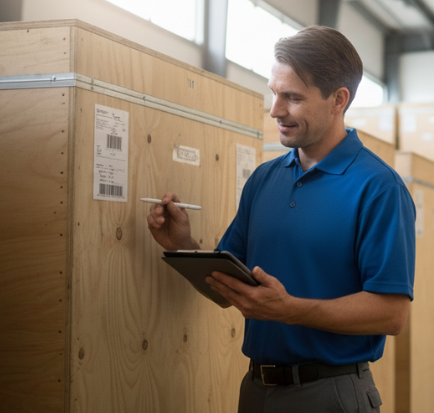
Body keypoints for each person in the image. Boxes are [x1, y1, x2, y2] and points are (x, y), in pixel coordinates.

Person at [146, 26, 415, 413]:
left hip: (331, 394)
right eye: (274, 93)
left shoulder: (378, 188)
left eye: (292, 97)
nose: (275, 110)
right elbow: (228, 290)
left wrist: (291, 309)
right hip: (256, 389)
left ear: (339, 99)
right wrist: (183, 246)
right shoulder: (263, 180)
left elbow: (392, 313)